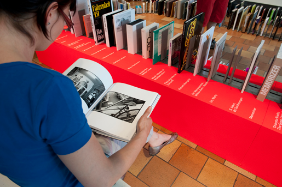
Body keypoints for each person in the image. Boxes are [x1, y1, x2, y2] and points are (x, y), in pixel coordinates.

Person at [0, 1, 178, 187]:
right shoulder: (48, 88)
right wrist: (143, 133)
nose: (65, 25)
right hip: (77, 179)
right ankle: (151, 136)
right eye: (68, 16)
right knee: (132, 126)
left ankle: (154, 138)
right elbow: (102, 180)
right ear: (50, 14)